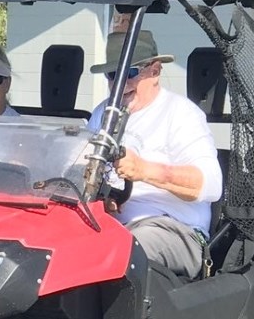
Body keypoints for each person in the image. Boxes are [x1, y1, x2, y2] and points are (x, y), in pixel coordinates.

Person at [88, 29, 222, 279]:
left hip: (174, 229)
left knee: (124, 250)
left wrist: (144, 170)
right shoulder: (102, 114)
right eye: (112, 74)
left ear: (155, 71)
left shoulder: (181, 114)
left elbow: (211, 185)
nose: (120, 84)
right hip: (111, 224)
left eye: (129, 73)